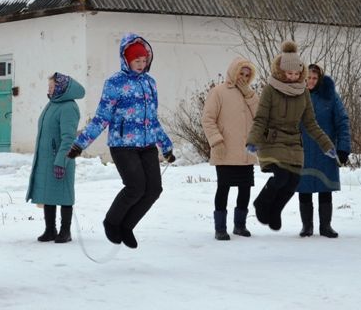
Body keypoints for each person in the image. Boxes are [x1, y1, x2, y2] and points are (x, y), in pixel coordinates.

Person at [67, 33, 175, 249]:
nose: (141, 65)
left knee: (154, 189)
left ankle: (127, 226)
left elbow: (153, 118)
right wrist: (80, 143)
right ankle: (112, 222)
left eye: (144, 61)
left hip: (147, 145)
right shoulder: (114, 83)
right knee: (136, 187)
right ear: (126, 59)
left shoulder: (150, 83)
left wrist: (166, 146)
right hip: (122, 144)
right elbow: (102, 117)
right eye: (137, 61)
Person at [247, 41, 336, 232]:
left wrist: (326, 144)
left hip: (293, 141)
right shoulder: (270, 89)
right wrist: (253, 140)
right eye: (289, 74)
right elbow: (261, 118)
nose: (293, 77)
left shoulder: (303, 91)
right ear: (281, 71)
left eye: (296, 74)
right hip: (272, 138)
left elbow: (311, 123)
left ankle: (276, 210)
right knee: (281, 176)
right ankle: (261, 204)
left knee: (294, 180)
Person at [201, 57, 259, 240]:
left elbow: (259, 118)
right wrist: (216, 141)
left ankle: (240, 226)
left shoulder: (251, 94)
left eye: (247, 75)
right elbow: (207, 119)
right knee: (223, 188)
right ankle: (220, 228)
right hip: (225, 149)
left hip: (245, 151)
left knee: (245, 189)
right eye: (240, 73)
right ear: (233, 72)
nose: (243, 77)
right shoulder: (218, 92)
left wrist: (249, 95)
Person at [26, 73, 85, 243]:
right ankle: (50, 230)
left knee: (64, 195)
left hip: (61, 159)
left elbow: (68, 138)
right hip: (47, 159)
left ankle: (65, 231)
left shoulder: (68, 107)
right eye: (49, 88)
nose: (49, 90)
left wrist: (61, 161)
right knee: (48, 194)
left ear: (61, 88)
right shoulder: (52, 104)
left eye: (52, 87)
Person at [297, 63, 351, 238]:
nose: (311, 81)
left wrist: (343, 148)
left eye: (314, 78)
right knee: (304, 188)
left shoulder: (331, 97)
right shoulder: (295, 96)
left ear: (319, 79)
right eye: (308, 78)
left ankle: (325, 226)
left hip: (326, 150)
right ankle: (307, 226)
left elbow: (342, 122)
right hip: (301, 149)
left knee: (325, 187)